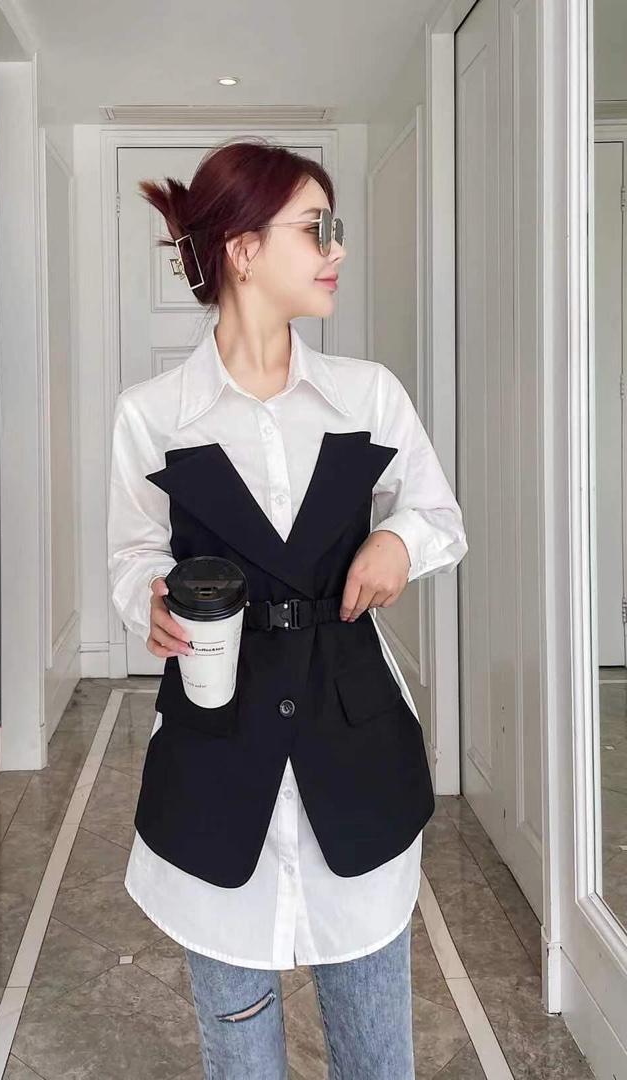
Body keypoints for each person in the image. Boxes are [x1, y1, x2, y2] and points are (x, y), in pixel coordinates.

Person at [107, 137, 468, 1079]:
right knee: (241, 1057)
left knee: (376, 1051)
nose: (336, 249)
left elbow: (440, 516)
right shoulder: (154, 413)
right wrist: (148, 599)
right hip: (216, 761)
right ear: (243, 249)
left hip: (356, 748)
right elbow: (134, 553)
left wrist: (399, 543)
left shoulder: (367, 396)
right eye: (316, 228)